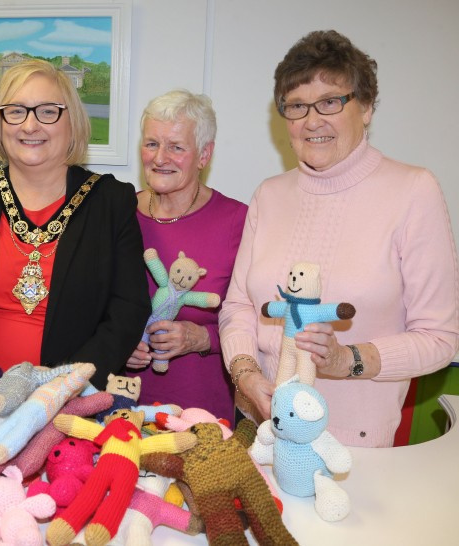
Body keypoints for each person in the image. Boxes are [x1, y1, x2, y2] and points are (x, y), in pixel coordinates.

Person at [219, 30, 459, 447]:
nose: (312, 121)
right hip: (258, 427)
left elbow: (440, 339)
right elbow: (239, 305)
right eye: (296, 106)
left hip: (353, 448)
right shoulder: (269, 195)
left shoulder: (413, 191)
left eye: (330, 101)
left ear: (365, 107)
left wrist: (344, 360)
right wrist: (246, 374)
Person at [0, 59, 150, 389]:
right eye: (15, 111)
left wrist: (66, 387)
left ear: (73, 121)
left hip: (70, 399)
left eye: (47, 111)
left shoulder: (110, 201)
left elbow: (127, 311)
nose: (29, 126)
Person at [124, 90, 247, 421]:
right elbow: (86, 308)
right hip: (119, 407)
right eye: (152, 144)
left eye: (176, 147)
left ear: (204, 155)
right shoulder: (118, 213)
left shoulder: (238, 222)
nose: (160, 158)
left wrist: (202, 337)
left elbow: (260, 324)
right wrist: (116, 340)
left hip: (202, 412)